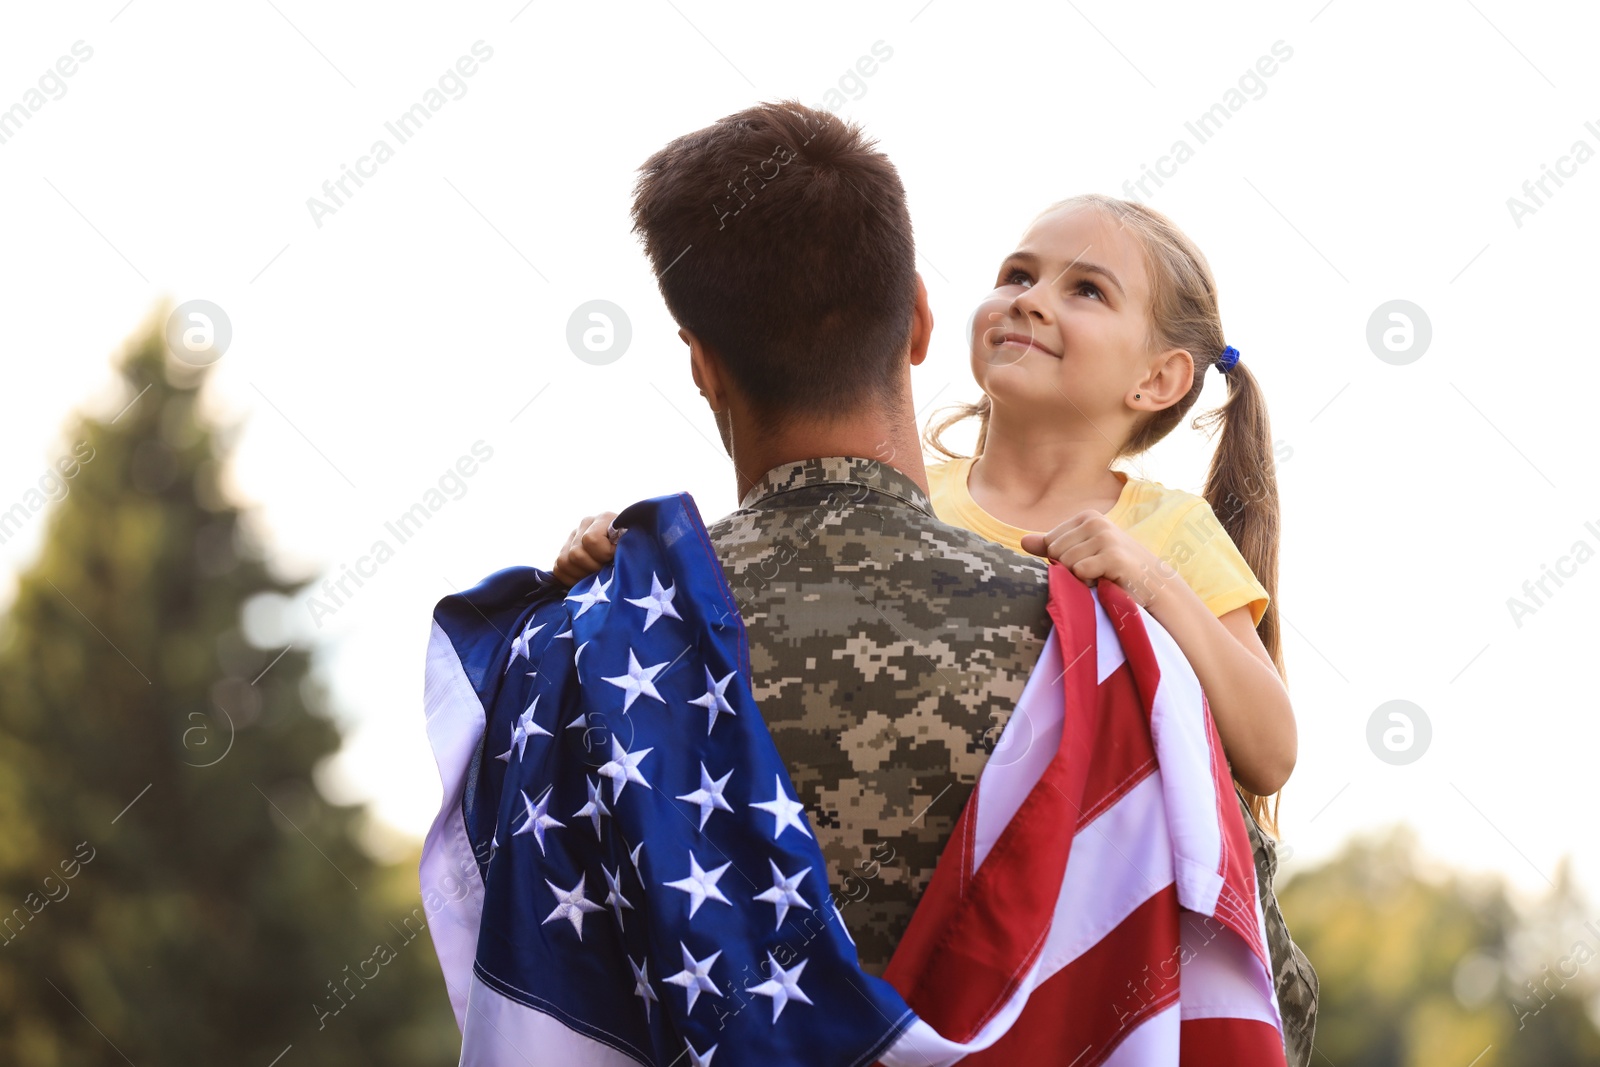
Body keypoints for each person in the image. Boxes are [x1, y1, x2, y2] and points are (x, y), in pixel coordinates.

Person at [554, 106, 1317, 1063]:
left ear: (1161, 379)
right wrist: (623, 556)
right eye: (1017, 274)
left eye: (1086, 290)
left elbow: (1271, 750)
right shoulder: (920, 495)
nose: (1032, 299)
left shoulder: (1165, 531)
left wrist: (1148, 579)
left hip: (1052, 929)